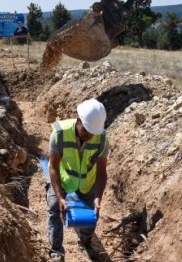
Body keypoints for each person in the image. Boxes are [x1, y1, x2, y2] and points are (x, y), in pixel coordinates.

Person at [46, 98, 109, 261]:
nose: (90, 136)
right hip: (64, 178)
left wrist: (98, 197)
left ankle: (86, 242)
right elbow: (52, 167)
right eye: (87, 131)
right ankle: (56, 250)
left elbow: (102, 171)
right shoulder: (59, 134)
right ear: (78, 120)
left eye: (93, 132)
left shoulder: (101, 138)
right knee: (54, 209)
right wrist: (60, 197)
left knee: (92, 214)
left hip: (87, 182)